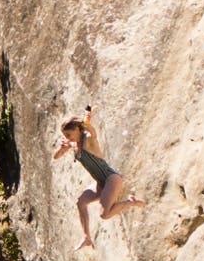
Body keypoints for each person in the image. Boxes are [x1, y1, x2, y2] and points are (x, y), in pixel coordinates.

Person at [53, 104, 145, 248]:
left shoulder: (88, 140)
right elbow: (56, 157)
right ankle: (86, 237)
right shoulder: (74, 145)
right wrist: (61, 147)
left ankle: (130, 202)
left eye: (69, 135)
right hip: (100, 183)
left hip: (111, 179)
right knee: (80, 202)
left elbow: (92, 131)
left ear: (78, 130)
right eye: (65, 136)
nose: (67, 138)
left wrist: (85, 123)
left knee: (104, 215)